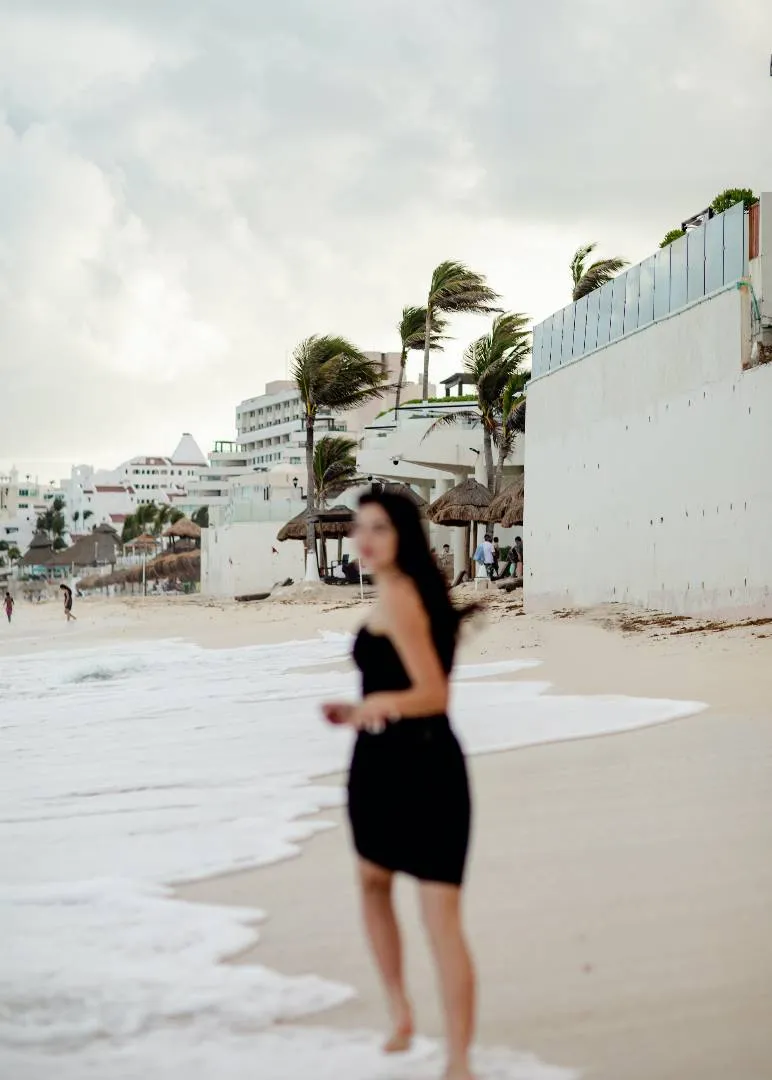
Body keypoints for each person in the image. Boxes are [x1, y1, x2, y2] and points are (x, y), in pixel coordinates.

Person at [322, 490, 478, 1080]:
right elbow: (400, 684)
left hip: (421, 763)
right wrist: (360, 710)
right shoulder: (405, 591)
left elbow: (434, 694)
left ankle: (455, 1057)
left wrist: (371, 706)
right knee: (372, 880)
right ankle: (404, 1015)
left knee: (438, 917)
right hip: (384, 759)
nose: (364, 539)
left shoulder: (402, 594)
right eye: (360, 528)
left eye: (379, 528)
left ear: (403, 535)